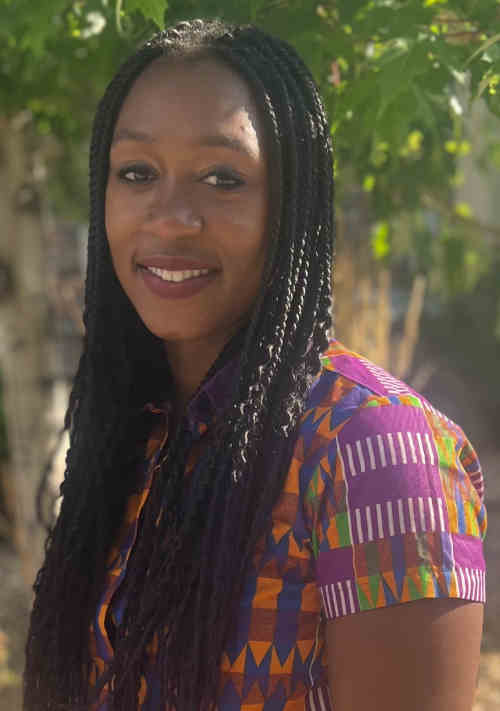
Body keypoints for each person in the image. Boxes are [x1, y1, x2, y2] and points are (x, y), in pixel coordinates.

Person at [24, 18, 487, 711]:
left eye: (223, 177)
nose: (172, 216)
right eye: (137, 173)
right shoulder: (133, 437)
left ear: (291, 207)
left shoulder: (379, 452)